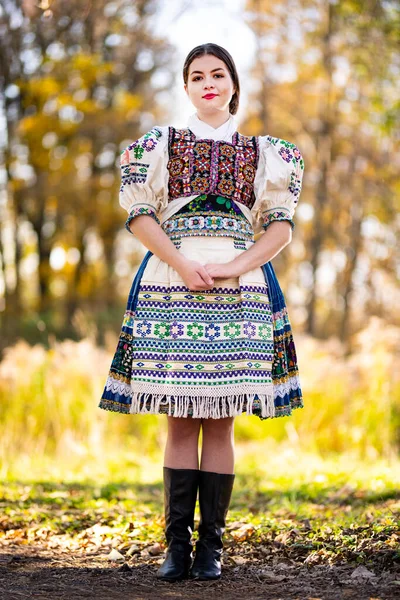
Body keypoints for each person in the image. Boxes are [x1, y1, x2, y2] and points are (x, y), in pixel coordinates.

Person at [99, 43, 305, 582]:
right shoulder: (157, 146)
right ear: (186, 87)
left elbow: (280, 227)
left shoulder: (268, 154)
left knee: (220, 420)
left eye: (217, 74)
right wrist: (181, 260)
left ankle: (211, 549)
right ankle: (175, 547)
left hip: (241, 290)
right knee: (180, 417)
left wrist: (239, 263)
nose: (207, 82)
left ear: (234, 84)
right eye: (196, 76)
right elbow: (141, 216)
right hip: (173, 283)